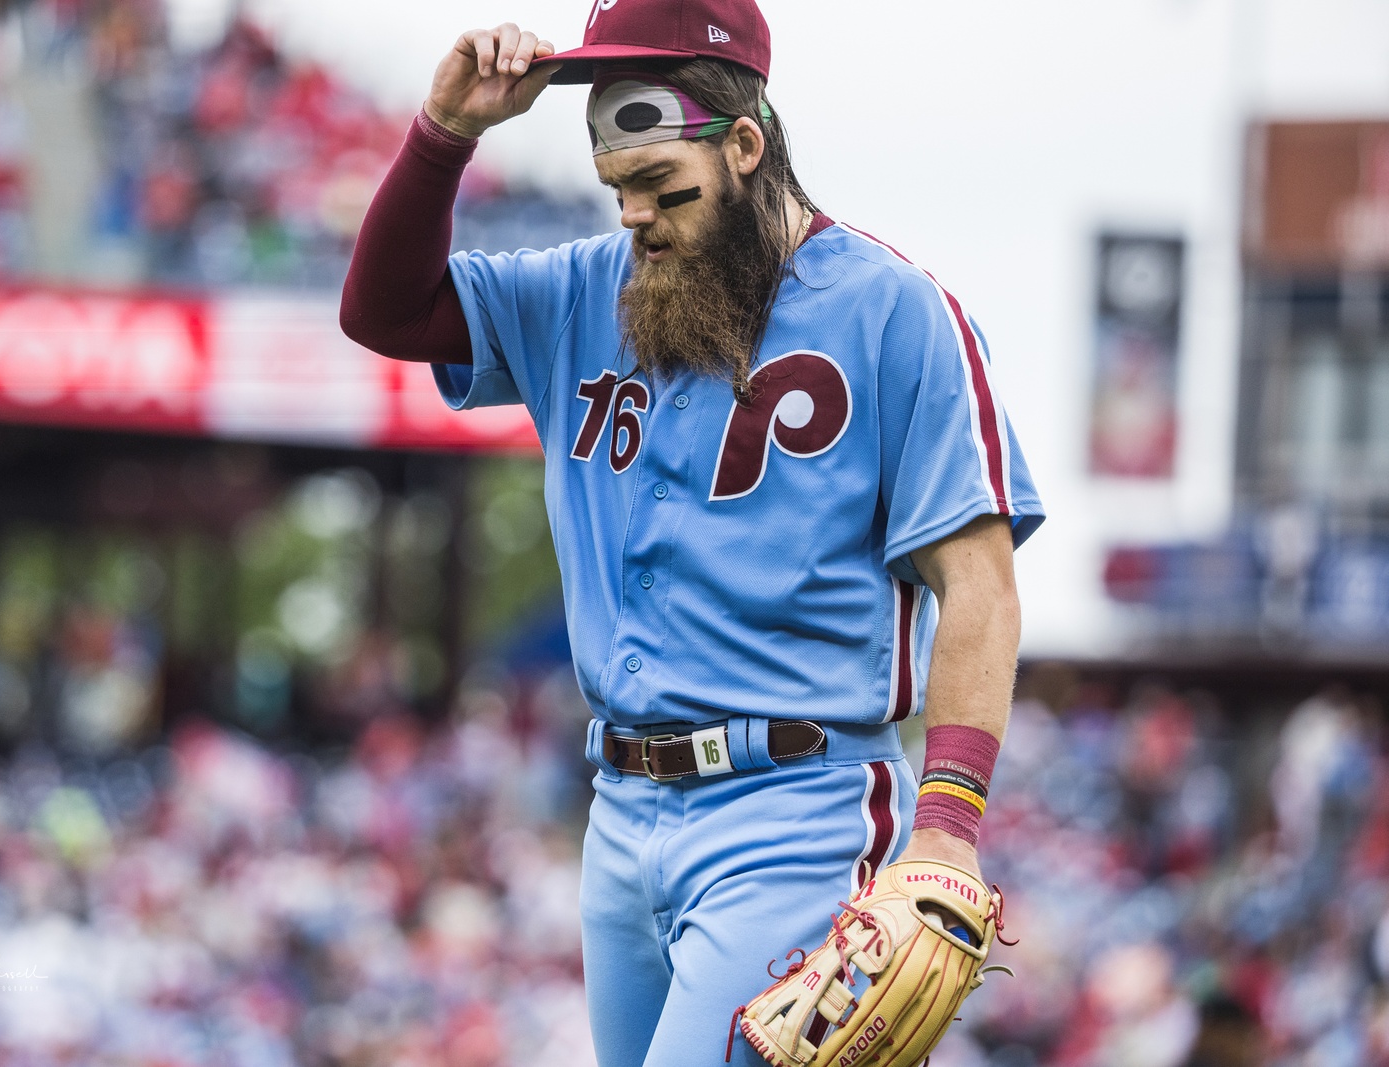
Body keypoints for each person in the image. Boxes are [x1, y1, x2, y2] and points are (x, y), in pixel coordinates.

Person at [340, 1, 1045, 1063]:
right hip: (620, 817)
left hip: (796, 810)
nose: (637, 219)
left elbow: (978, 581)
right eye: (620, 192)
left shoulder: (894, 312)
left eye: (664, 189)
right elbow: (384, 312)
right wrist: (446, 133)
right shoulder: (584, 289)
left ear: (747, 146)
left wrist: (947, 820)